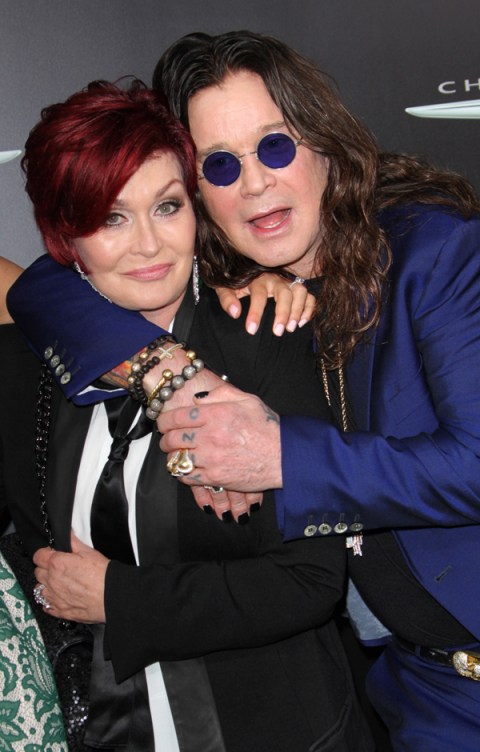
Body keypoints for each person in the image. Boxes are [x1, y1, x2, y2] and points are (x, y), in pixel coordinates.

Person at [8, 29, 480, 752]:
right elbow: (43, 285)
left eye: (276, 147)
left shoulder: (433, 251)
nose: (254, 183)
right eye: (221, 164)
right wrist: (169, 375)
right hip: (421, 692)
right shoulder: (245, 298)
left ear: (324, 144)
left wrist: (279, 455)